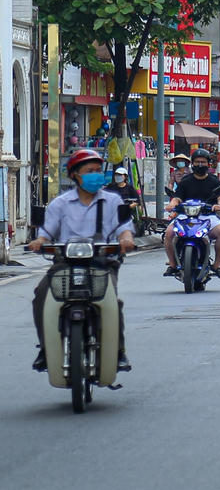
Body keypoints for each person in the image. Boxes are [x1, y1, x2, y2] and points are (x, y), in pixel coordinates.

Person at [28, 149, 136, 373]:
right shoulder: (61, 203)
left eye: (98, 171)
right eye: (89, 171)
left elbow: (124, 229)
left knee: (112, 303)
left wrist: (126, 240)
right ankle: (46, 349)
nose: (95, 175)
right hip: (65, 264)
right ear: (75, 175)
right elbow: (46, 232)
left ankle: (119, 352)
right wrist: (39, 241)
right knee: (41, 295)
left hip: (102, 263)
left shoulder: (113, 201)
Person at [163, 149, 220, 278]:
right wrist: (172, 205)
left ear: (208, 164)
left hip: (208, 216)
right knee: (169, 233)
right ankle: (172, 265)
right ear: (192, 164)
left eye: (203, 162)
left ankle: (216, 265)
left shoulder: (214, 181)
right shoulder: (186, 181)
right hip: (185, 215)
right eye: (197, 162)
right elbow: (177, 198)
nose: (200, 165)